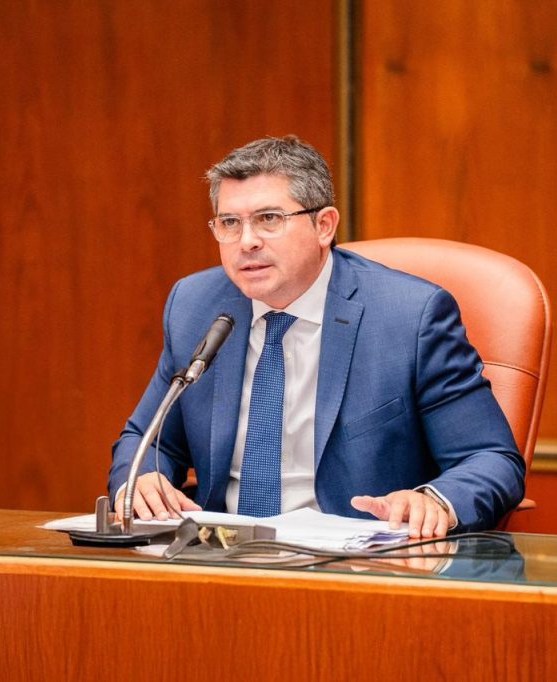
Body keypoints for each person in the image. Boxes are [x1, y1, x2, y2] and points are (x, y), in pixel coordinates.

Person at [109, 135, 523, 538]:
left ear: (324, 225)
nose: (247, 241)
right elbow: (144, 438)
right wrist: (144, 478)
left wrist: (435, 500)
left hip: (358, 571)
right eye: (230, 223)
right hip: (222, 563)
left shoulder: (410, 318)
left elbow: (490, 458)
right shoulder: (195, 305)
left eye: (268, 219)